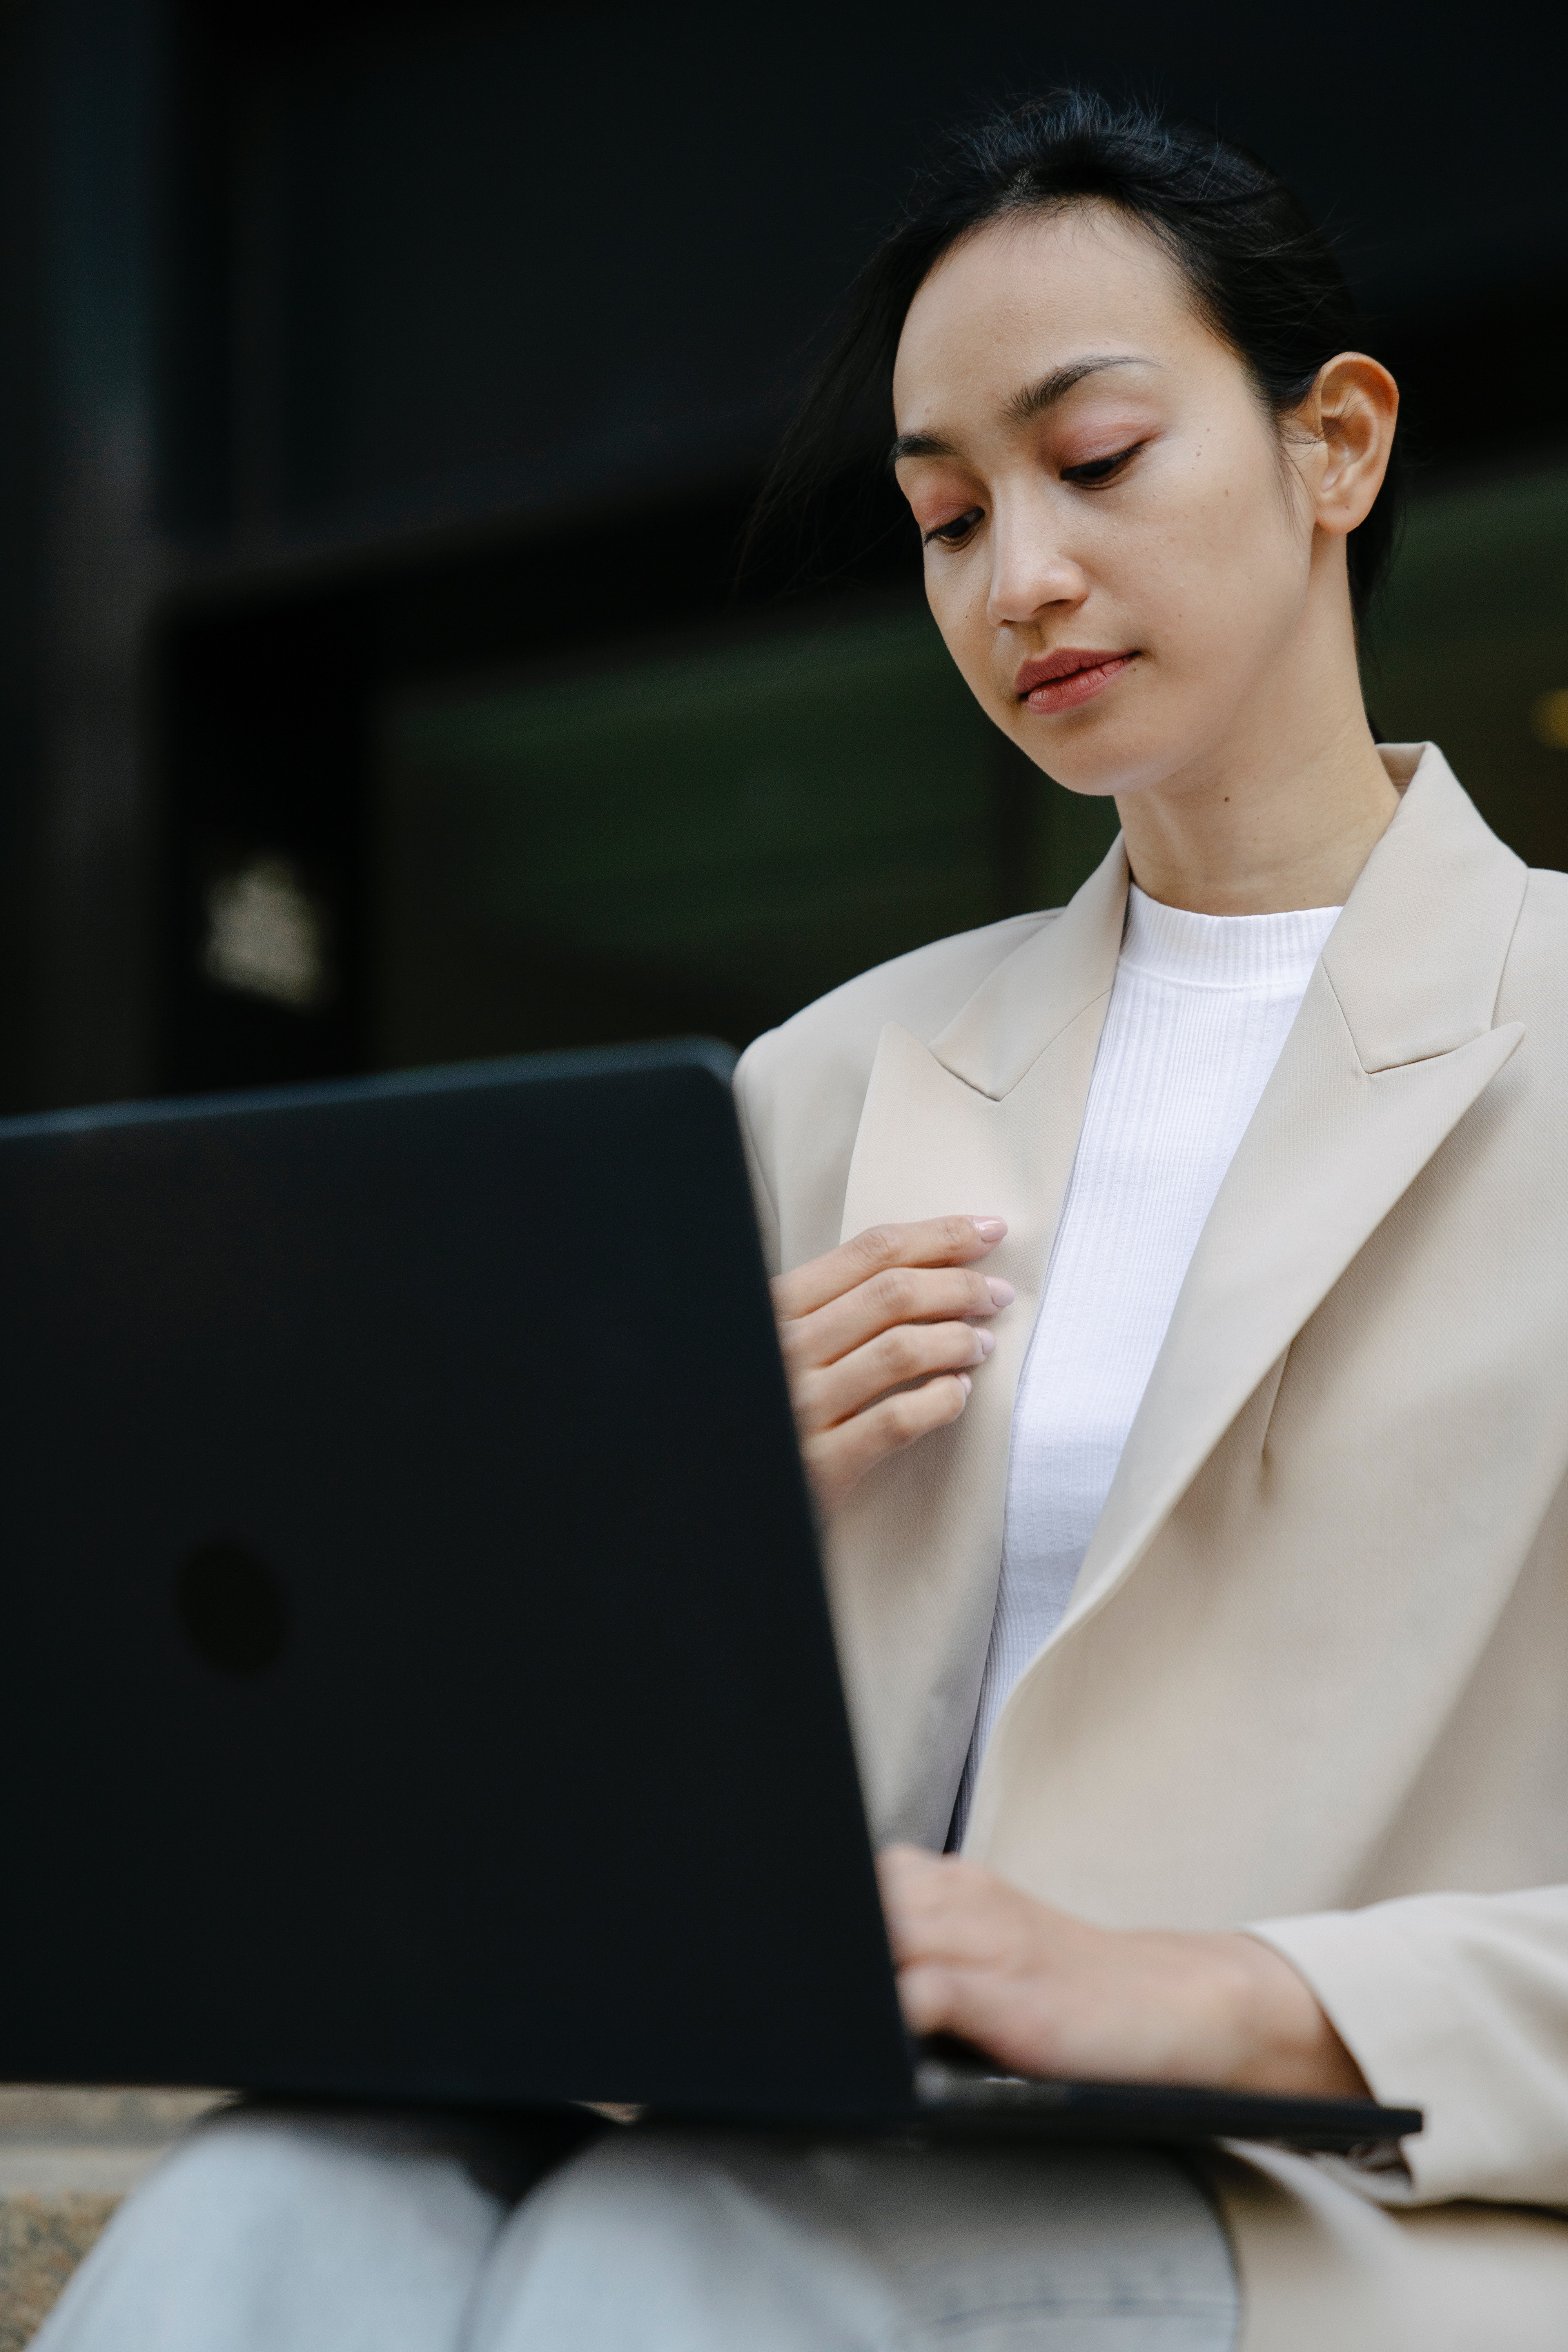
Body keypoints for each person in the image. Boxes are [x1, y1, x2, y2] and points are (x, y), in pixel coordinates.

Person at [36, 87, 1568, 2352]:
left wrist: (1213, 1993)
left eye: (1100, 457)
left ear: (1334, 445)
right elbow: (582, 1765)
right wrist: (660, 1505)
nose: (1014, 575)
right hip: (831, 2117)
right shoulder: (833, 1081)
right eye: (945, 517)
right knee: (269, 2210)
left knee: (672, 2267)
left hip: (1351, 2198)